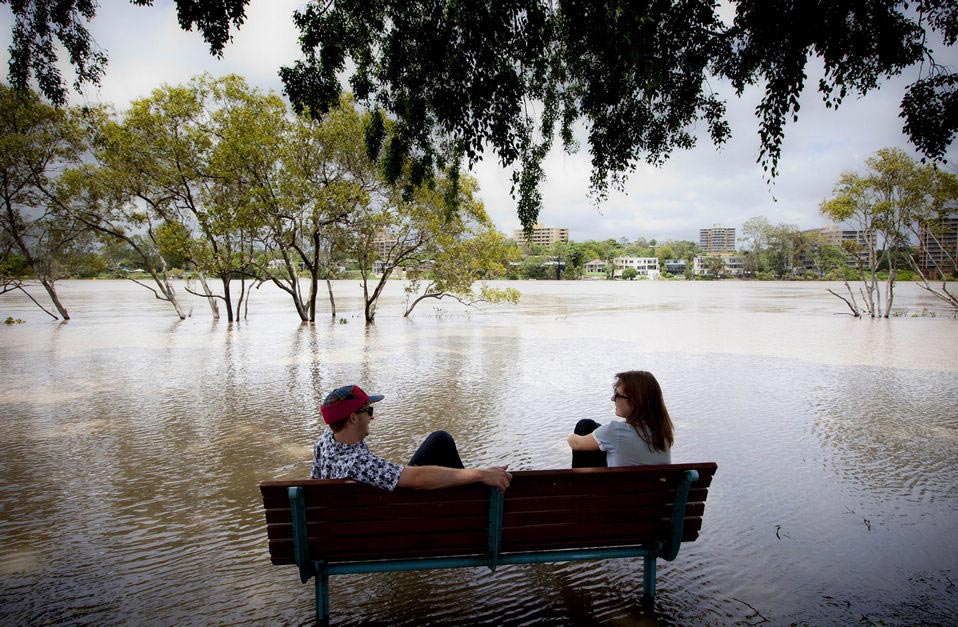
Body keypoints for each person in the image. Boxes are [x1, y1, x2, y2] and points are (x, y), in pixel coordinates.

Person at [311, 384, 512, 492]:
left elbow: (314, 482)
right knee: (441, 440)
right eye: (369, 410)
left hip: (350, 521)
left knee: (438, 442)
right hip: (387, 523)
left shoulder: (326, 441)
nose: (372, 416)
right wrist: (479, 474)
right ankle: (474, 501)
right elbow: (418, 479)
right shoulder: (359, 463)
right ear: (353, 418)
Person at [566, 371, 674, 467]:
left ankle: (582, 487)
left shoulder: (614, 432)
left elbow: (576, 443)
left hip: (613, 488)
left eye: (617, 395)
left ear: (635, 401)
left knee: (585, 425)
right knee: (595, 429)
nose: (613, 399)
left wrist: (569, 436)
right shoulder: (663, 432)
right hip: (654, 488)